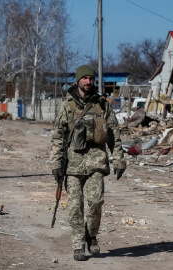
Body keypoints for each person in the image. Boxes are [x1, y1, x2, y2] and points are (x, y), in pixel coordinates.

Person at [50, 65, 126, 261]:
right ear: (78, 80)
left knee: (95, 203)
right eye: (84, 78)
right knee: (75, 206)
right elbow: (58, 136)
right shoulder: (67, 105)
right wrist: (56, 163)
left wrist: (119, 160)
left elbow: (114, 135)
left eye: (91, 79)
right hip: (73, 165)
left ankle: (91, 235)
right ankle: (78, 245)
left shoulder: (102, 105)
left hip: (96, 163)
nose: (88, 82)